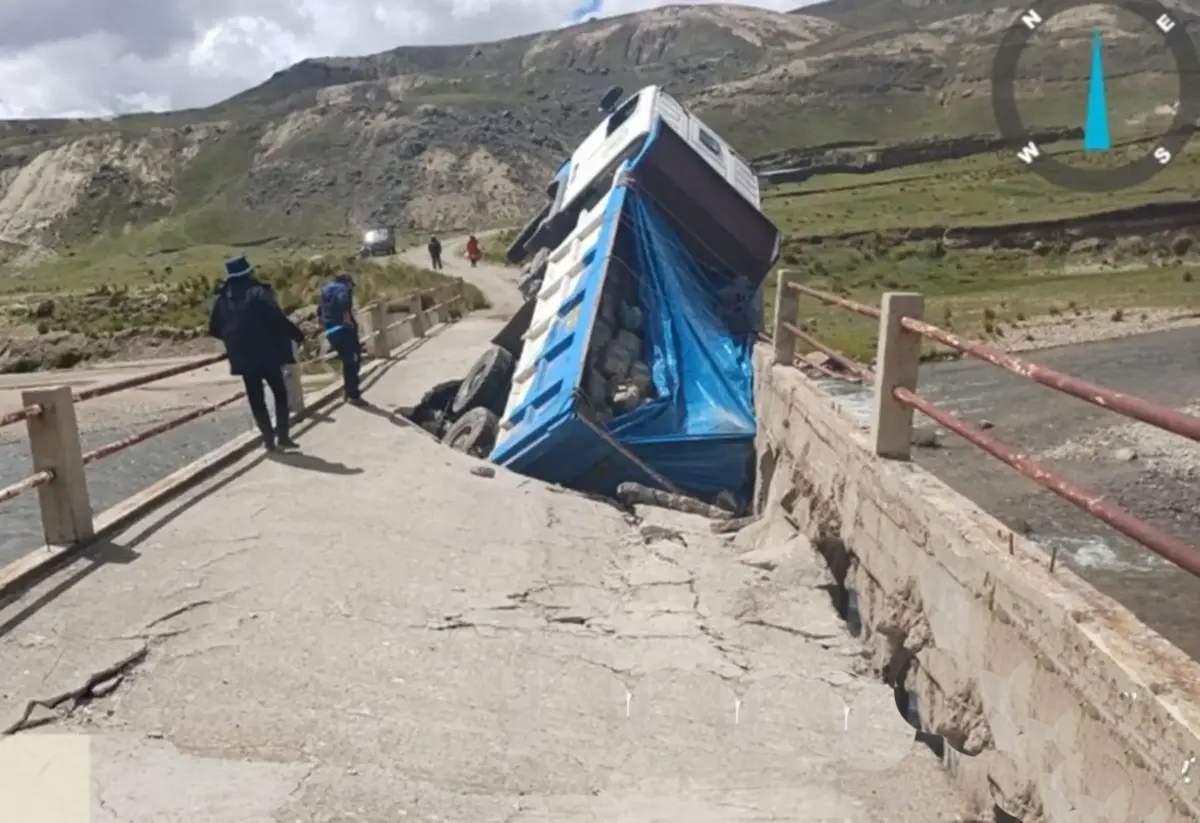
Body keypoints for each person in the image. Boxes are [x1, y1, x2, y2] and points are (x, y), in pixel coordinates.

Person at [209, 255, 305, 452]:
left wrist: (234, 341)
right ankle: (283, 437)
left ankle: (268, 439)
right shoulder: (258, 292)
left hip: (243, 357)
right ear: (248, 273)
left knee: (256, 399)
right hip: (267, 353)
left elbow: (214, 328)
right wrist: (297, 334)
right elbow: (277, 319)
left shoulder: (223, 299)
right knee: (279, 393)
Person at [319, 273, 367, 407]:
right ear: (347, 282)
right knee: (354, 361)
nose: (352, 288)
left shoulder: (325, 290)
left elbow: (319, 311)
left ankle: (348, 391)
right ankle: (353, 396)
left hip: (331, 331)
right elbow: (343, 302)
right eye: (351, 285)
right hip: (344, 330)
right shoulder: (343, 289)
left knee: (347, 361)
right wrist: (347, 319)